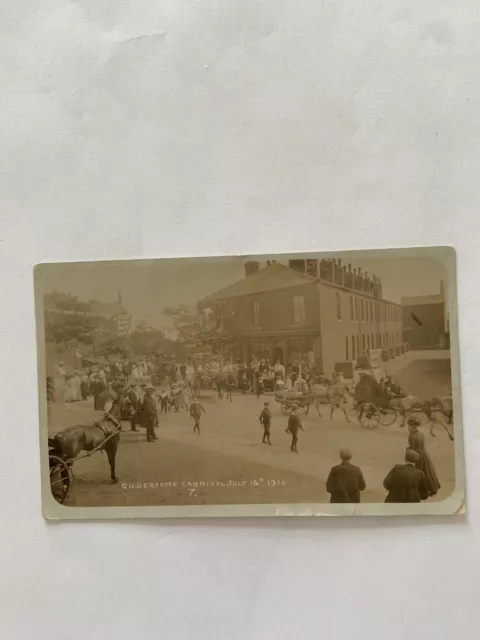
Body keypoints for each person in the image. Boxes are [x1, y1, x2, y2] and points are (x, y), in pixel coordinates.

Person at [407, 417, 441, 497]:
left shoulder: (411, 435)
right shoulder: (421, 434)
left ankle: (421, 491)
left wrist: (408, 451)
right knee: (428, 472)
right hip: (424, 454)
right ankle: (432, 488)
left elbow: (412, 449)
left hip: (417, 456)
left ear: (412, 427)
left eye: (408, 426)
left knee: (418, 473)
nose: (408, 428)